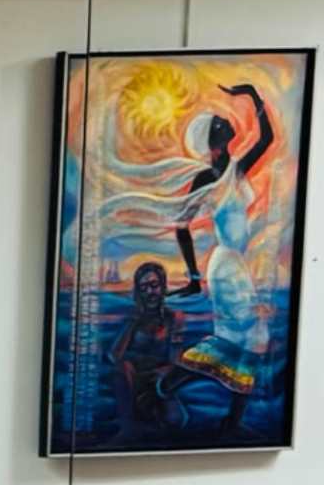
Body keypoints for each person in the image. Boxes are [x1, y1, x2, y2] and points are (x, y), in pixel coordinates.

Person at [171, 81, 273, 297]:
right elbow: (181, 226)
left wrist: (253, 95)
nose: (225, 120)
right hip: (226, 267)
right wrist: (194, 278)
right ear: (213, 145)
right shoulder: (206, 179)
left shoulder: (235, 169)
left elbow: (266, 139)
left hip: (235, 265)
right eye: (218, 124)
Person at [110, 258, 184, 439]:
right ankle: (128, 426)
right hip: (135, 381)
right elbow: (114, 355)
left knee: (176, 420)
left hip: (160, 380)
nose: (150, 292)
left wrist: (164, 373)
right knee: (122, 367)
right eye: (143, 288)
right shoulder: (133, 319)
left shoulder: (174, 318)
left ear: (163, 287)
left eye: (154, 285)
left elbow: (176, 358)